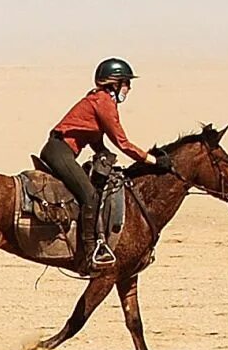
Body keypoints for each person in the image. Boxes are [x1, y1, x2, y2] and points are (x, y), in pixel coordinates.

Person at [38, 59, 151, 268]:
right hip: (59, 151)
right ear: (114, 83)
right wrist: (149, 159)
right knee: (90, 196)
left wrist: (106, 156)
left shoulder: (98, 100)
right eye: (126, 83)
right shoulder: (104, 102)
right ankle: (91, 252)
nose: (129, 88)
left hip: (62, 151)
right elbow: (122, 142)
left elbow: (97, 142)